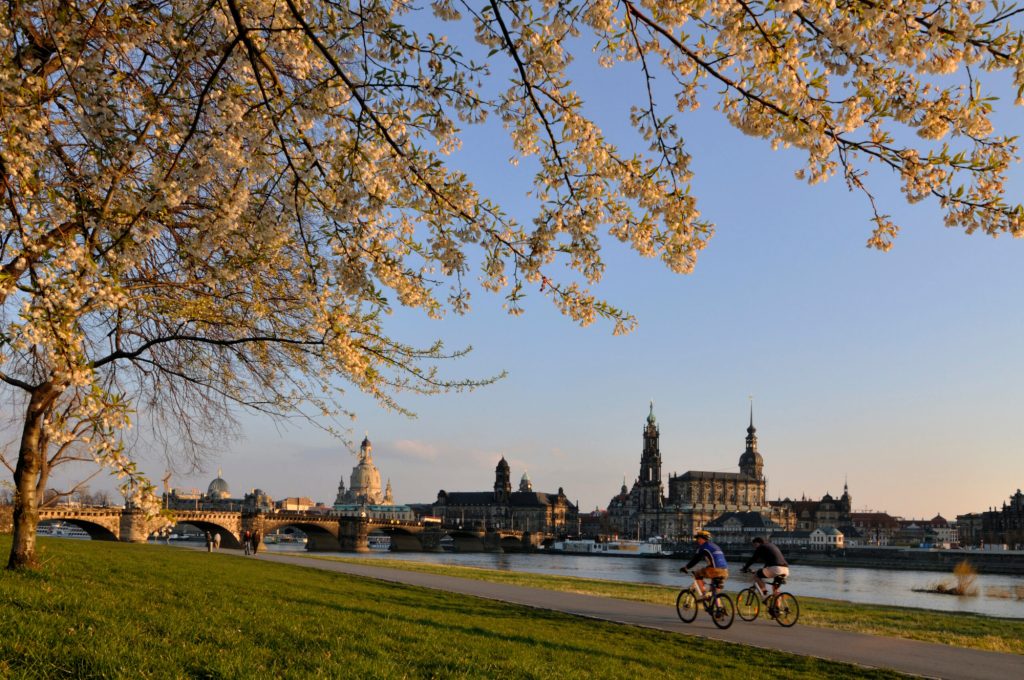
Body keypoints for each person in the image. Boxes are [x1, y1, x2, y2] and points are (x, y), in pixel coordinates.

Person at [680, 530, 729, 599]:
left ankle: (704, 594)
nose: (697, 540)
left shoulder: (703, 547)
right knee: (714, 591)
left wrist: (686, 567)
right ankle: (717, 603)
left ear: (702, 539)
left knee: (697, 574)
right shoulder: (716, 546)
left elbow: (696, 559)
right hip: (725, 571)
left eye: (698, 538)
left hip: (715, 570)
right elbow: (716, 560)